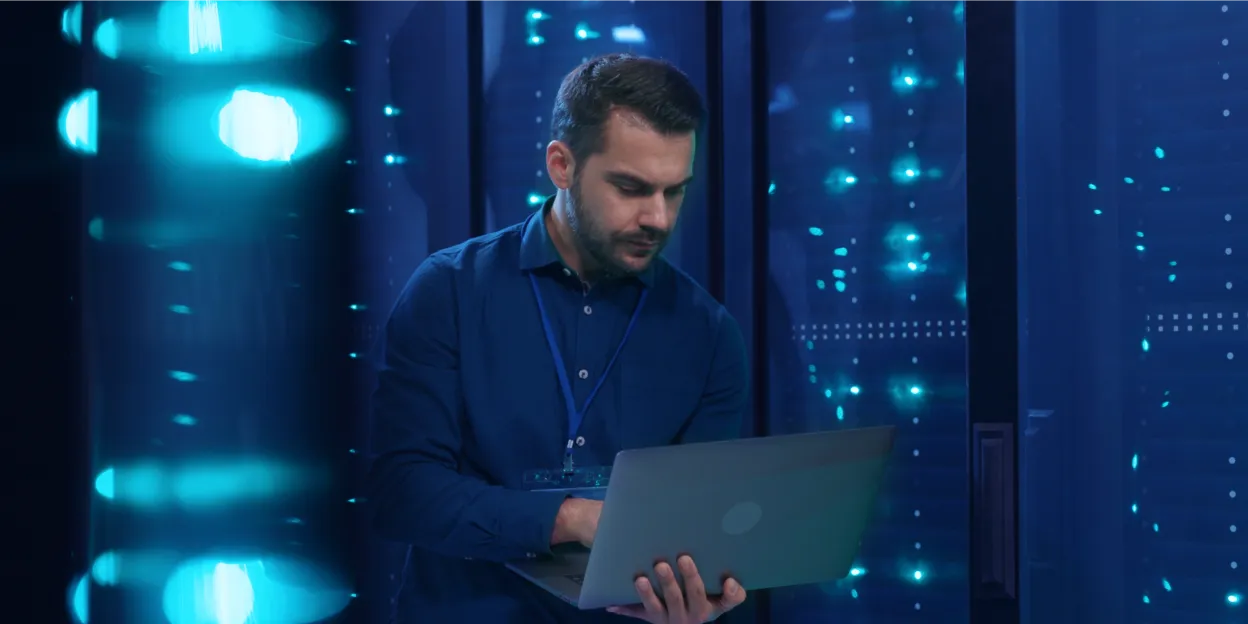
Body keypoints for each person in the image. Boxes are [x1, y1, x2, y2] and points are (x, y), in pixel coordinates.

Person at [369, 53, 750, 624]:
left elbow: (698, 524)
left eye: (674, 192)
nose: (659, 219)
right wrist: (568, 517)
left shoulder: (709, 334)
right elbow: (402, 491)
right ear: (562, 165)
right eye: (631, 187)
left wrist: (698, 596)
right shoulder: (449, 290)